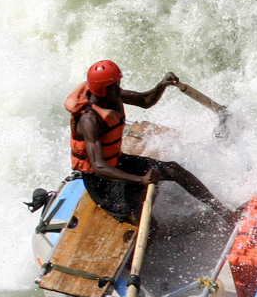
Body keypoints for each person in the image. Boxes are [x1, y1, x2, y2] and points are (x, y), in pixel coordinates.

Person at [66, 60, 229, 223]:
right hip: (101, 182)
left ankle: (225, 213)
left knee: (173, 170)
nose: (119, 89)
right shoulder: (89, 120)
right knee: (150, 226)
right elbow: (100, 168)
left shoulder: (112, 96)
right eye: (114, 86)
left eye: (118, 84)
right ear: (102, 90)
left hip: (118, 162)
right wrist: (140, 179)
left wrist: (162, 84)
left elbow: (145, 101)